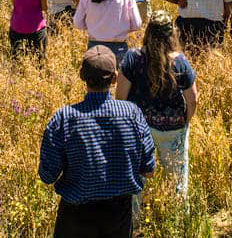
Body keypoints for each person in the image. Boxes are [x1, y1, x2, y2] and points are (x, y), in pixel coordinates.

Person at [39, 46, 155, 238]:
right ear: (115, 78)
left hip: (75, 216)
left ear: (82, 76)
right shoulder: (133, 114)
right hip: (119, 214)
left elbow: (47, 175)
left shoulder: (63, 119)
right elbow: (149, 169)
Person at [116, 11, 197, 198]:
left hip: (138, 126)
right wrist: (186, 121)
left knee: (136, 177)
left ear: (148, 32)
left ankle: (133, 222)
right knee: (177, 177)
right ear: (172, 34)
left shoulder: (132, 58)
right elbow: (193, 99)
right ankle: (179, 221)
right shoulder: (180, 62)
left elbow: (120, 97)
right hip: (173, 127)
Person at [74, 0, 141, 66]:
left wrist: (93, 25)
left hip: (95, 48)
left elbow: (78, 23)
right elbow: (137, 25)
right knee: (120, 81)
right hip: (118, 47)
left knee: (96, 81)